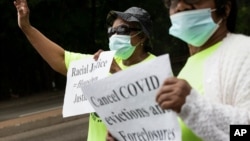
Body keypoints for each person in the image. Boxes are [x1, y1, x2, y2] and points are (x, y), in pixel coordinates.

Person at [107, 0, 250, 141]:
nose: (180, 6)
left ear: (225, 9)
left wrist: (193, 106)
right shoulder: (188, 67)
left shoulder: (243, 53)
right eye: (173, 2)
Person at [13, 0, 155, 141]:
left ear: (142, 36)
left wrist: (117, 72)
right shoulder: (103, 62)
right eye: (112, 31)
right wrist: (26, 27)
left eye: (122, 30)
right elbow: (61, 59)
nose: (115, 35)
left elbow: (153, 116)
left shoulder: (155, 67)